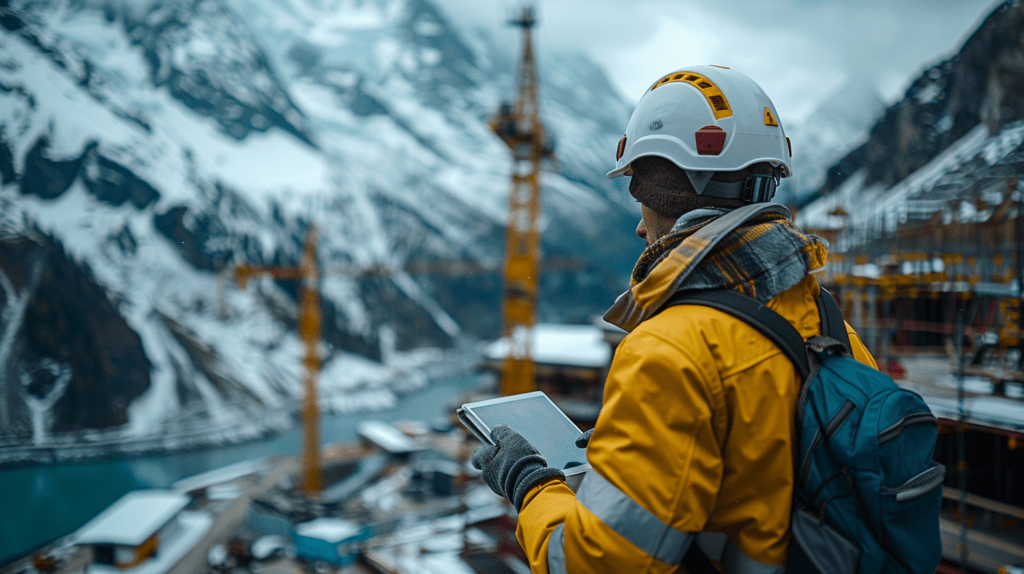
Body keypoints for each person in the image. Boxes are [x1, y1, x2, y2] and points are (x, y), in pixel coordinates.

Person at [470, 65, 878, 573]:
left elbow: (595, 564)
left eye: (641, 196)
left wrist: (531, 484)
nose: (641, 227)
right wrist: (646, 450)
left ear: (666, 190)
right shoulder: (827, 321)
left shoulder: (671, 350)